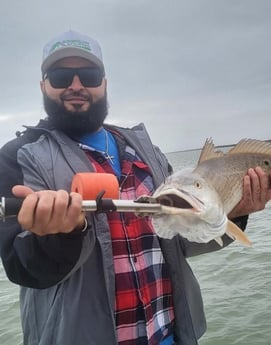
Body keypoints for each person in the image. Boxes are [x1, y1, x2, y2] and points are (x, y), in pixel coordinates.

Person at [0, 30, 270, 345]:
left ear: (104, 83)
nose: (76, 85)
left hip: (171, 336)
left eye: (88, 75)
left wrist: (234, 213)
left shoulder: (146, 152)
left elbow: (182, 242)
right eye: (60, 76)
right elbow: (22, 269)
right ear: (43, 85)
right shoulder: (17, 157)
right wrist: (61, 236)